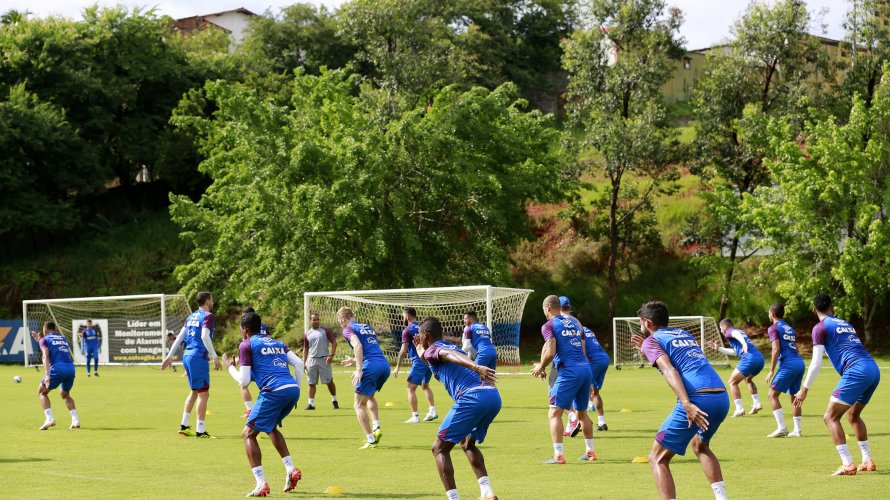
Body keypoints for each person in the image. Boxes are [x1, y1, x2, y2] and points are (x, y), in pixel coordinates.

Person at [632, 300, 728, 500]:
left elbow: (670, 369)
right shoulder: (683, 334)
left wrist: (686, 404)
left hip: (697, 399)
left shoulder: (652, 340)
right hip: (720, 396)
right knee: (700, 446)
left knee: (657, 458)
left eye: (640, 321)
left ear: (647, 322)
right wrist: (646, 349)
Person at [793, 294, 880, 475]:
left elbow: (816, 362)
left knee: (830, 417)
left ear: (814, 309)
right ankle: (867, 460)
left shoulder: (820, 328)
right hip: (873, 368)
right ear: (832, 306)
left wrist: (804, 389)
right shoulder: (845, 323)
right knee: (853, 416)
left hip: (856, 371)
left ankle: (848, 464)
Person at [414, 316, 500, 500]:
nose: (418, 337)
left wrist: (476, 366)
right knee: (467, 443)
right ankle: (487, 492)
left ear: (427, 334)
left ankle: (453, 498)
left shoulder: (439, 350)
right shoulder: (443, 347)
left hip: (473, 397)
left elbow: (448, 355)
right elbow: (432, 356)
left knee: (439, 449)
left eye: (420, 334)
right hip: (492, 396)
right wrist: (419, 348)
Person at [223, 311, 305, 497]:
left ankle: (261, 483)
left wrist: (230, 367)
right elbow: (299, 364)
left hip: (273, 391)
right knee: (270, 427)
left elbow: (243, 381)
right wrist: (297, 391)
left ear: (245, 329)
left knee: (248, 434)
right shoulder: (277, 343)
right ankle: (290, 468)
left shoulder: (246, 344)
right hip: (292, 389)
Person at [530, 295, 596, 464]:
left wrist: (541, 366)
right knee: (582, 413)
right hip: (585, 369)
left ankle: (558, 455)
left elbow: (550, 351)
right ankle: (590, 452)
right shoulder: (575, 323)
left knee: (554, 413)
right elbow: (582, 349)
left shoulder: (549, 325)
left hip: (569, 371)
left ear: (548, 308)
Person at [161, 291, 221, 438]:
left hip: (187, 356)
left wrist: (169, 357)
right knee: (204, 394)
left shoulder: (190, 317)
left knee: (195, 391)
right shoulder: (208, 316)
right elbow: (204, 336)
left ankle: (184, 425)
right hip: (198, 356)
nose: (213, 303)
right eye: (211, 300)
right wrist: (214, 356)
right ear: (207, 301)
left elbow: (180, 337)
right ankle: (200, 431)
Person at [338, 306, 390, 449]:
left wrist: (359, 369)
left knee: (358, 404)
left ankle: (371, 440)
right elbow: (370, 350)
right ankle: (376, 426)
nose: (340, 325)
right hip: (384, 365)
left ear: (342, 318)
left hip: (371, 367)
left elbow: (358, 346)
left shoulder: (348, 329)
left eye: (339, 321)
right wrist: (355, 361)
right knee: (369, 396)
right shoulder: (366, 326)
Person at [559, 297, 610, 435]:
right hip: (603, 358)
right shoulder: (584, 328)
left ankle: (579, 421)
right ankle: (602, 421)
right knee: (595, 392)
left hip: (591, 360)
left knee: (575, 390)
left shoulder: (571, 328)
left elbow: (582, 350)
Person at [707, 319, 764, 417]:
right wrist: (719, 348)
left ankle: (739, 408)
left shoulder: (729, 331)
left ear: (724, 327)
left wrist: (744, 343)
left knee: (732, 382)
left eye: (721, 328)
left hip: (749, 359)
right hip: (760, 359)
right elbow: (735, 352)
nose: (721, 331)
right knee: (748, 379)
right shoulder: (740, 332)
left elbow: (735, 333)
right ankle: (757, 403)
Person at [764, 303, 805, 437]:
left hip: (789, 364)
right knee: (794, 396)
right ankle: (797, 431)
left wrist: (771, 370)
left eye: (769, 312)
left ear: (772, 314)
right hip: (799, 362)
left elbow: (776, 348)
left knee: (772, 394)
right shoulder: (789, 328)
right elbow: (796, 347)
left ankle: (782, 428)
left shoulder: (773, 328)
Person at [393, 307, 437, 423]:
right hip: (428, 359)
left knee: (410, 388)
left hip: (419, 361)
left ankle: (415, 416)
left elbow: (403, 350)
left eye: (403, 316)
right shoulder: (423, 327)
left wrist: (397, 366)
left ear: (407, 317)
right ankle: (432, 411)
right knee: (425, 385)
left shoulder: (407, 330)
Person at [33, 322, 80, 430]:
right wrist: (39, 341)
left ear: (45, 330)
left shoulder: (44, 339)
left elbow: (45, 355)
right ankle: (75, 420)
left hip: (58, 369)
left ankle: (49, 419)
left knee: (41, 392)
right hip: (70, 368)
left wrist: (47, 375)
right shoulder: (63, 339)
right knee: (65, 394)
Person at [238, 307, 274, 417]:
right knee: (266, 384)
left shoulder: (246, 326)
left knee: (243, 384)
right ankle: (269, 407)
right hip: (263, 361)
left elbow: (246, 343)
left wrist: (239, 360)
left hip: (251, 362)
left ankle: (249, 410)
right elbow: (267, 341)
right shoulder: (262, 326)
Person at [301, 312, 339, 410]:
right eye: (314, 319)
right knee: (311, 383)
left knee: (329, 381)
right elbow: (305, 349)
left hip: (324, 359)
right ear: (311, 321)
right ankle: (311, 404)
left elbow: (334, 343)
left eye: (318, 319)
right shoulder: (307, 333)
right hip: (312, 360)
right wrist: (304, 362)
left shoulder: (325, 331)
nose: (316, 321)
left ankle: (334, 400)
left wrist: (331, 355)